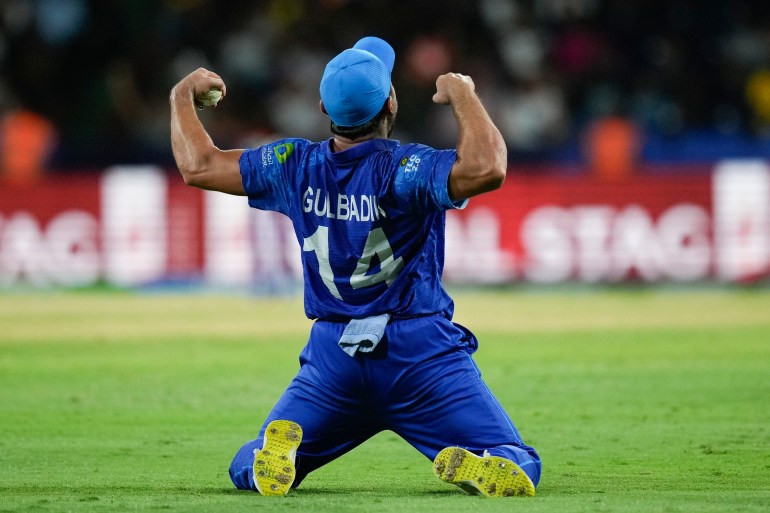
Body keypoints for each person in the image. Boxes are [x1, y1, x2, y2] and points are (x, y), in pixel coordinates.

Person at [170, 36, 541, 498]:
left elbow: (198, 166)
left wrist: (181, 96)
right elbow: (488, 167)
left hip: (333, 361)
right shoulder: (406, 167)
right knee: (517, 460)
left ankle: (274, 452)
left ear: (324, 109)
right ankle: (486, 459)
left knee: (248, 462)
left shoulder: (293, 164)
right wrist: (463, 94)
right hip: (418, 354)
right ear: (390, 101)